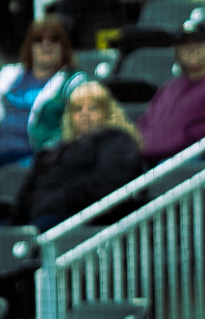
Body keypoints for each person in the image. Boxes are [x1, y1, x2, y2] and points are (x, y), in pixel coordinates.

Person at [11, 81, 141, 232]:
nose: (85, 114)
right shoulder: (55, 149)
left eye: (93, 108)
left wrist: (57, 198)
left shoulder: (117, 140)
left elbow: (108, 183)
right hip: (39, 219)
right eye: (78, 109)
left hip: (79, 222)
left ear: (108, 112)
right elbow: (26, 193)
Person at [137, 29, 205, 164]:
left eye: (198, 43)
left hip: (192, 157)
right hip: (149, 155)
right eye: (185, 45)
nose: (191, 49)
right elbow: (146, 120)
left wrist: (182, 138)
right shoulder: (168, 87)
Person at [0, 17, 89, 166]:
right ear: (30, 45)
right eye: (38, 39)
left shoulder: (73, 82)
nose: (46, 44)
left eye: (54, 39)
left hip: (37, 163)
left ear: (64, 46)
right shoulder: (10, 75)